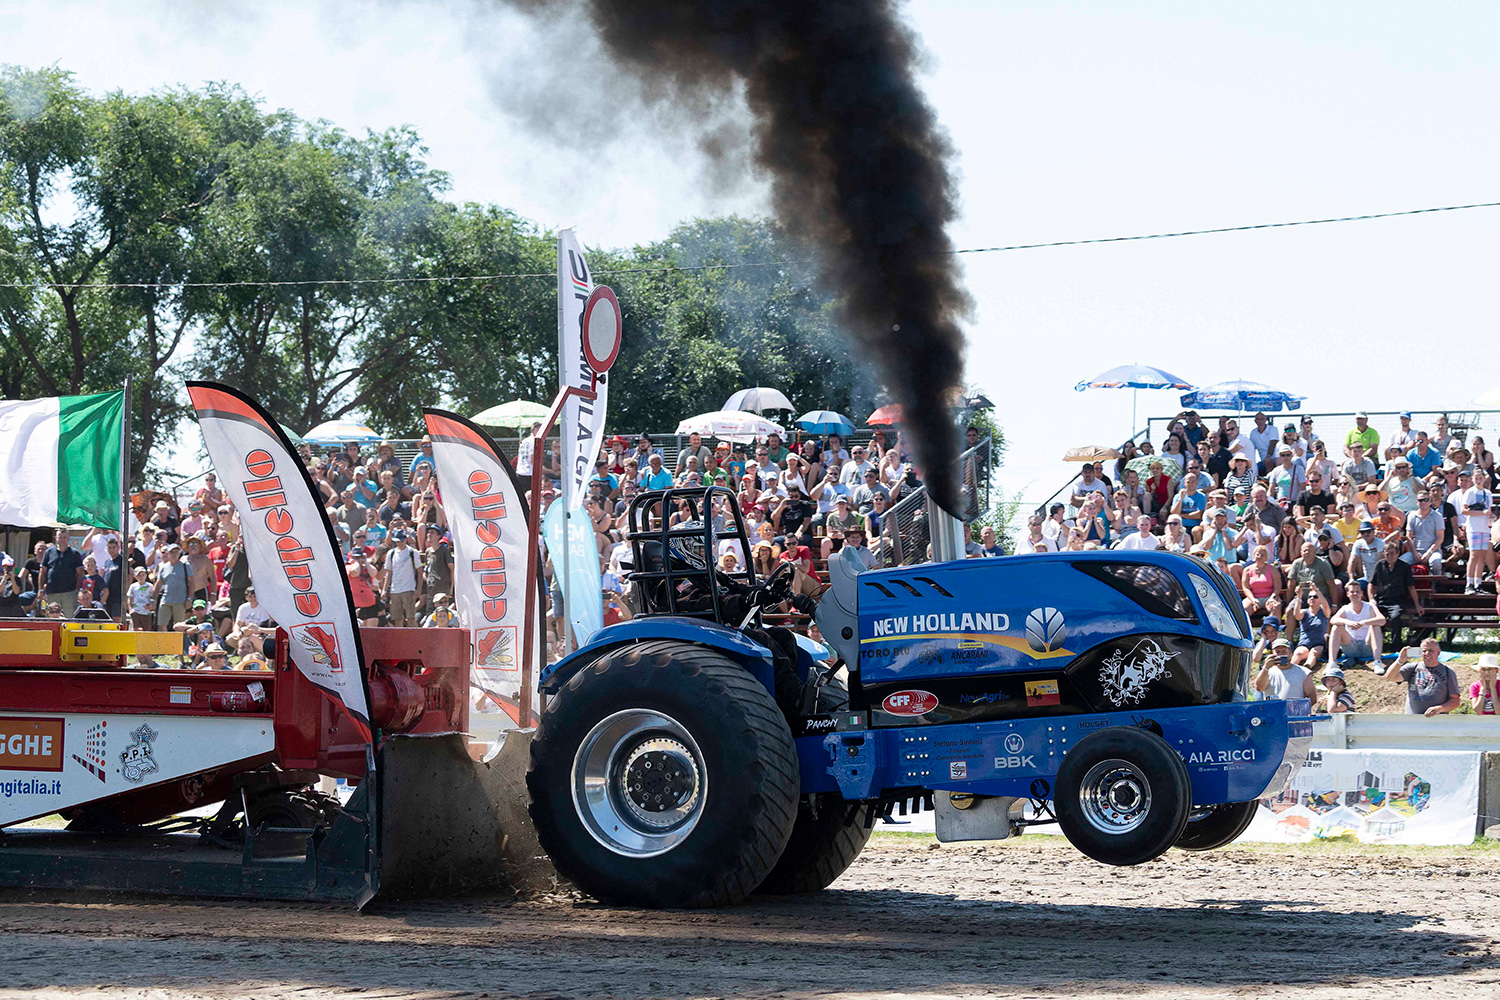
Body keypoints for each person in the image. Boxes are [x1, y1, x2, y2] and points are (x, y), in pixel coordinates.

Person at [1383, 638, 1461, 717]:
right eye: (1424, 651)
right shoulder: (1412, 668)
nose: (1427, 653)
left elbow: (1455, 700)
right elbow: (1390, 677)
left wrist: (1440, 709)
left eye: (1431, 651)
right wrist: (1400, 661)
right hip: (1413, 720)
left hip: (1438, 721)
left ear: (1438, 652)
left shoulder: (1447, 671)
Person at [1328, 579, 1385, 668]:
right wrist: (1348, 622)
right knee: (1336, 627)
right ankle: (1332, 663)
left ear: (1362, 593)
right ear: (1348, 594)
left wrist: (1364, 623)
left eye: (1357, 592)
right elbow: (1333, 620)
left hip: (1368, 647)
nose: (1355, 594)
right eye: (1352, 592)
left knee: (1376, 626)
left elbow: (1382, 620)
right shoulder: (1345, 608)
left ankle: (1377, 662)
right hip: (1350, 647)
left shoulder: (1370, 607)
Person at [1369, 538, 1422, 630]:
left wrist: (1417, 605)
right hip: (1381, 600)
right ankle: (1374, 642)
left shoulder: (1404, 567)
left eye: (1393, 553)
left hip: (1397, 602)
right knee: (1373, 616)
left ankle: (1396, 644)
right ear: (1384, 554)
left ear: (1398, 553)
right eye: (1387, 554)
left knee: (1395, 617)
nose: (1390, 556)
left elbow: (1411, 587)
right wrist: (1371, 599)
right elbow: (1371, 584)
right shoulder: (1379, 565)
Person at [1459, 469, 1494, 594]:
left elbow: (1488, 510)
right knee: (1473, 555)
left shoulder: (1488, 493)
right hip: (1473, 528)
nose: (1479, 481)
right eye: (1476, 478)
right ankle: (1469, 584)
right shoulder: (1470, 492)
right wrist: (1480, 513)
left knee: (1482, 556)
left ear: (1484, 479)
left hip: (1484, 527)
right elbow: (1464, 510)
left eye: (1480, 478)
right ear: (1473, 479)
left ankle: (1478, 584)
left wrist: (1490, 516)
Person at [1254, 636, 1317, 702]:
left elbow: (1312, 697)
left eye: (1284, 651)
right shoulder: (1267, 671)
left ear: (1290, 653)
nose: (1281, 654)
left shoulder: (1303, 672)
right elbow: (1259, 688)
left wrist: (1300, 710)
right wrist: (1266, 667)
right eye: (1278, 651)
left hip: (1295, 710)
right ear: (1273, 653)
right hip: (1272, 710)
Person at [381, 530, 421, 627]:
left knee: (410, 618)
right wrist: (384, 590)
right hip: (395, 589)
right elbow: (389, 573)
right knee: (397, 619)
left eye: (402, 541)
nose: (400, 543)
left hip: (409, 588)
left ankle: (417, 639)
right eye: (398, 541)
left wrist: (418, 589)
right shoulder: (391, 553)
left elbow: (420, 572)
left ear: (405, 540)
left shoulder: (412, 552)